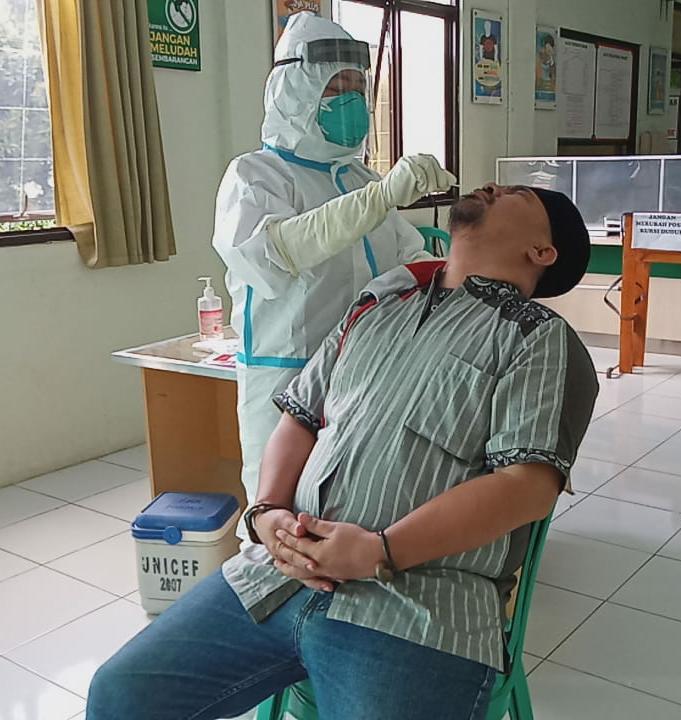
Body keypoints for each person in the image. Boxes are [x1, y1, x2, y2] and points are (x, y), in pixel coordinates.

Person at [87, 183, 598, 720]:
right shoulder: (378, 306)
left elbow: (526, 486)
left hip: (417, 605)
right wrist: (266, 512)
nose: (491, 187)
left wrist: (381, 550)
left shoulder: (536, 337)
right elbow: (299, 417)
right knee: (119, 694)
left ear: (542, 251)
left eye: (518, 196)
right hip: (278, 574)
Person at [212, 11, 455, 505]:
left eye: (358, 88)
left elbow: (409, 261)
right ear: (295, 94)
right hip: (288, 372)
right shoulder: (255, 176)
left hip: (364, 370)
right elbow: (280, 251)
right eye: (336, 88)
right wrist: (380, 197)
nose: (352, 101)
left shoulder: (360, 180)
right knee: (277, 503)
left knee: (348, 497)